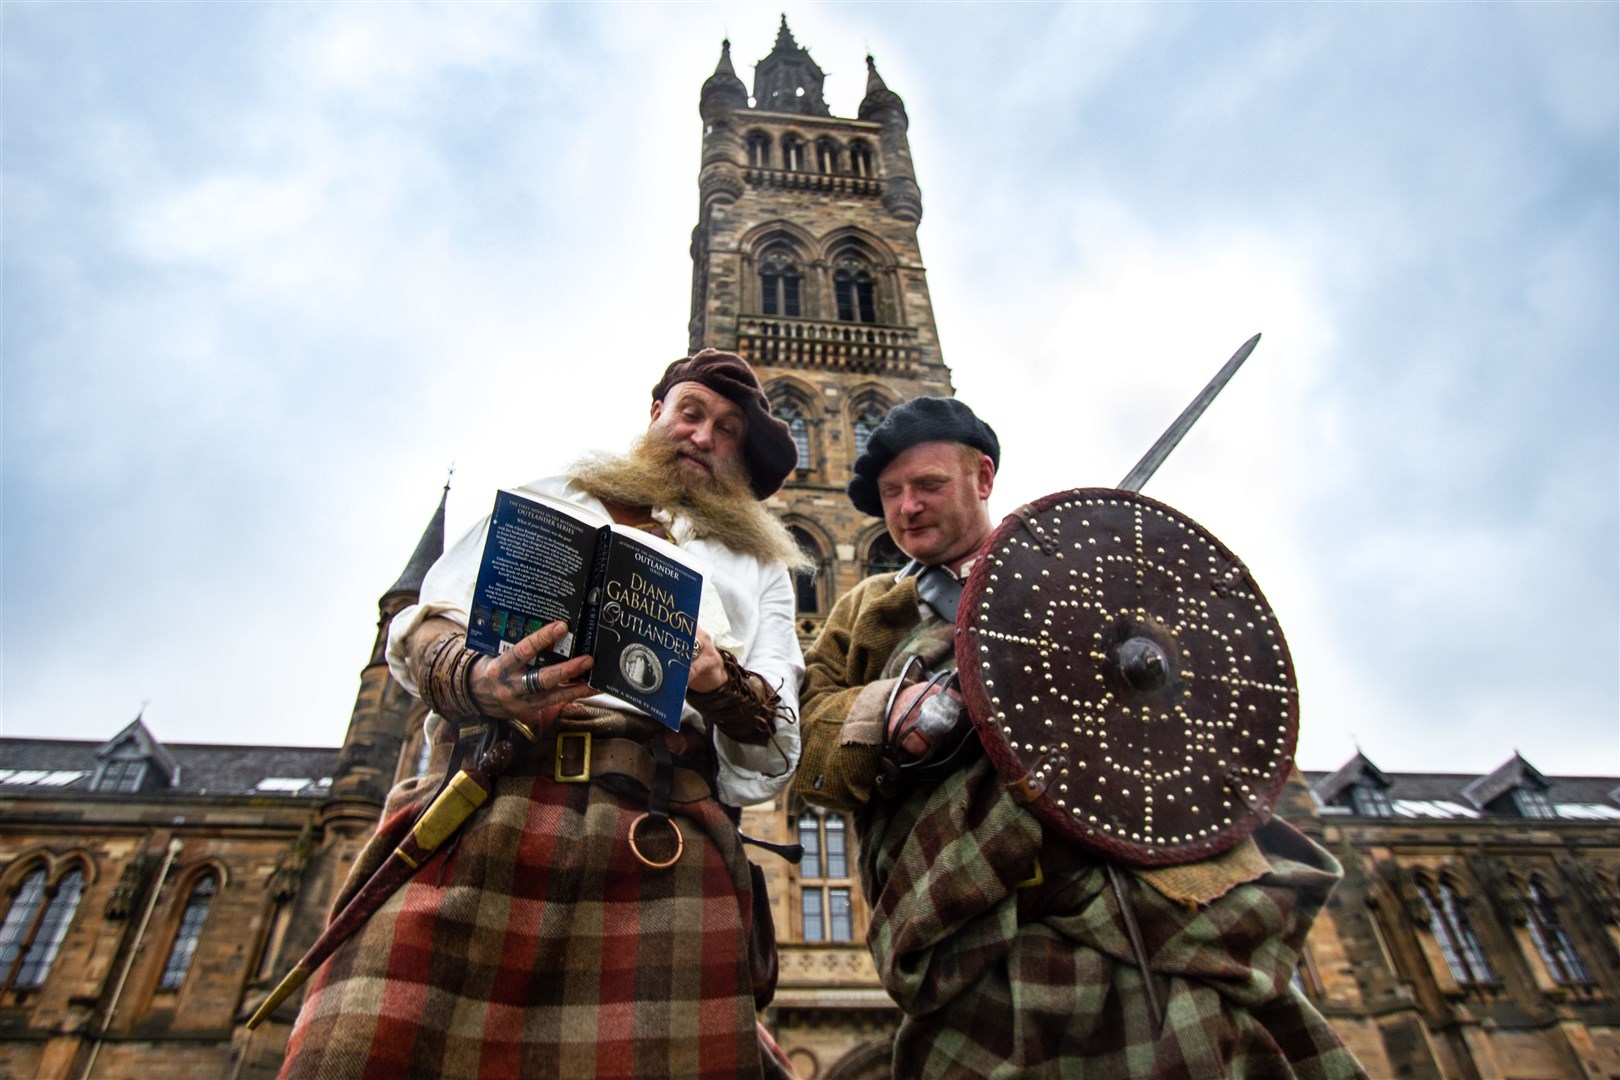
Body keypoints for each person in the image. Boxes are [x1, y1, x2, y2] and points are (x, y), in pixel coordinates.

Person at [794, 397, 1366, 1078]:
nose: (907, 507)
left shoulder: (1081, 563)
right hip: (964, 921)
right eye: (891, 493)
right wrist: (886, 710)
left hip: (1146, 909)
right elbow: (801, 745)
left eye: (928, 486)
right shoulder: (867, 609)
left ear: (982, 477)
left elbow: (1206, 699)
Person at [281, 349, 807, 1080]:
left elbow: (776, 747)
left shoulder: (759, 565)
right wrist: (477, 680)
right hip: (487, 806)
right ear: (656, 413)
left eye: (727, 430)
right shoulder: (558, 496)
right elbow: (421, 627)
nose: (702, 436)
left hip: (663, 839)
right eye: (690, 412)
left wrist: (720, 685)